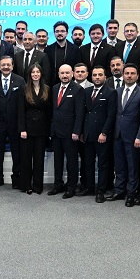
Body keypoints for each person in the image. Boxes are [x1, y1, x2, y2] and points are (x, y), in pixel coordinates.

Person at [111, 63, 140, 205]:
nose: (129, 76)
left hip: (133, 137)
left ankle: (131, 194)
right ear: (123, 75)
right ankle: (119, 190)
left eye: (132, 73)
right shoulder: (117, 91)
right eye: (127, 73)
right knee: (119, 165)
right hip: (117, 135)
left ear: (137, 76)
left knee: (132, 167)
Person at [80, 65, 116, 202]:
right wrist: (82, 132)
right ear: (91, 77)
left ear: (105, 77)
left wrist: (104, 133)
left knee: (103, 164)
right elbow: (84, 113)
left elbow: (111, 115)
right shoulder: (86, 91)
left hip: (102, 135)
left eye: (100, 75)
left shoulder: (110, 92)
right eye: (95, 75)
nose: (97, 77)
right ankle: (89, 187)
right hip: (88, 134)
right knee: (88, 162)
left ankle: (101, 190)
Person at [48, 64, 84, 198]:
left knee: (71, 162)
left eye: (67, 73)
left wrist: (76, 131)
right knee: (57, 161)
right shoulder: (54, 88)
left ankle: (71, 187)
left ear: (72, 74)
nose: (65, 75)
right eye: (62, 73)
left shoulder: (78, 89)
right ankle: (58, 184)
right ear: (58, 75)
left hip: (70, 133)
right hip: (56, 132)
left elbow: (80, 113)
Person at [0, 56, 24, 189]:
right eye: (3, 65)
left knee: (17, 152)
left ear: (12, 66)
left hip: (15, 124)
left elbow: (22, 104)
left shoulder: (20, 80)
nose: (5, 67)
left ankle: (16, 178)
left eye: (8, 65)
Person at [16, 64, 51, 195]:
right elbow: (20, 110)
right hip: (27, 129)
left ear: (41, 74)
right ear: (29, 74)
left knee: (39, 159)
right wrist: (22, 129)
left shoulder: (47, 89)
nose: (35, 74)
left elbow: (49, 111)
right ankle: (26, 185)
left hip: (41, 129)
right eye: (33, 72)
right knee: (26, 159)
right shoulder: (24, 88)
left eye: (37, 72)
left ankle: (37, 186)